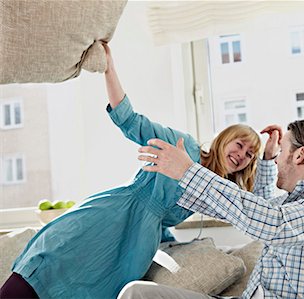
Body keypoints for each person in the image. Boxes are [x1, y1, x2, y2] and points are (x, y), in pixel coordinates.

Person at [0, 45, 279, 299]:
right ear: (224, 138)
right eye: (240, 145)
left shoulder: (215, 191)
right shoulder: (183, 146)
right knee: (43, 267)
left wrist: (268, 157)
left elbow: (259, 209)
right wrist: (110, 69)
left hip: (134, 249)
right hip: (105, 218)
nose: (241, 155)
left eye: (249, 155)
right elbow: (131, 121)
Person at [122, 118, 304, 298]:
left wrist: (189, 171)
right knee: (138, 294)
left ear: (300, 155)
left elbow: (271, 223)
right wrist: (267, 159)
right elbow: (258, 210)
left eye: (281, 152)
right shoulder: (297, 203)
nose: (278, 159)